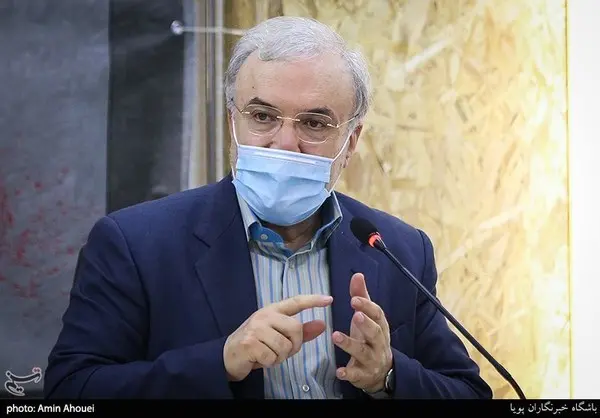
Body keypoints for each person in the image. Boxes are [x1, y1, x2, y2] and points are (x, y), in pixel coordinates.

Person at [44, 16, 493, 399]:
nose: (285, 143)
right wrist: (220, 362)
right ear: (232, 121)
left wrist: (388, 375)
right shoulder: (134, 244)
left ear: (351, 141)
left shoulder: (399, 249)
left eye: (314, 123)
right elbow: (71, 390)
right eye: (262, 116)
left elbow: (469, 391)